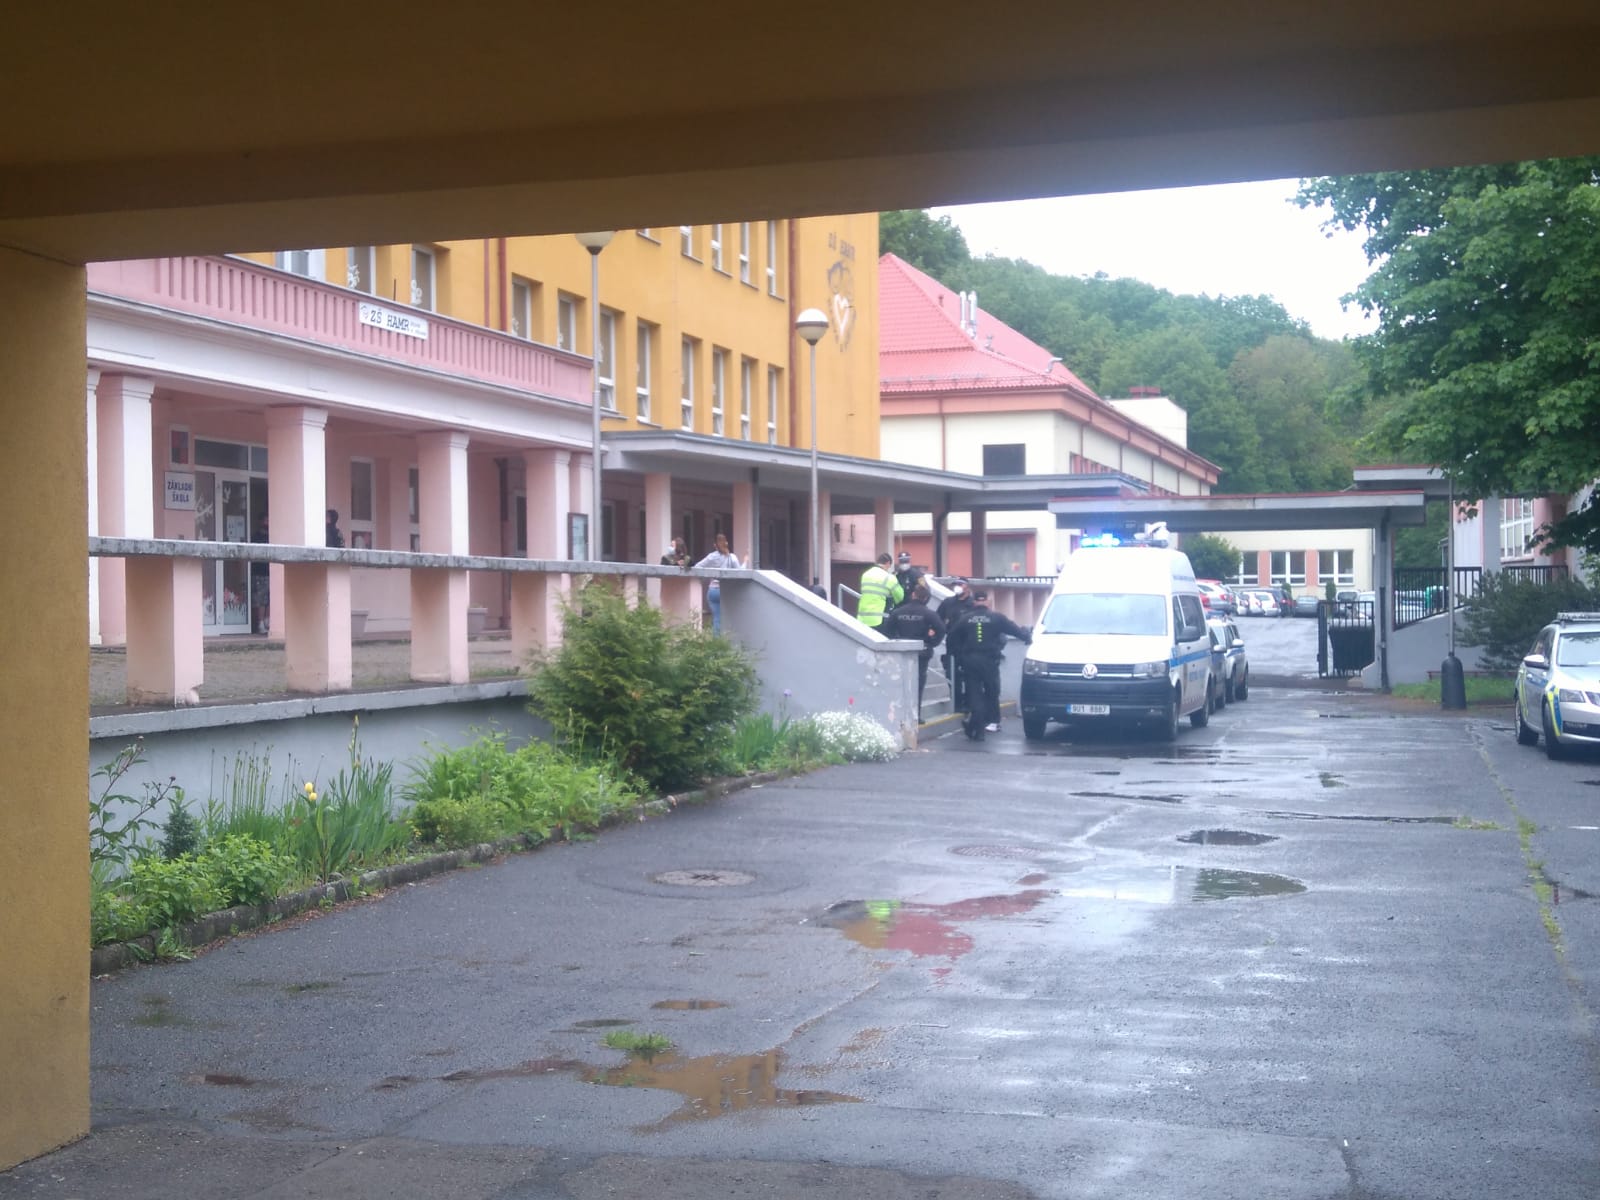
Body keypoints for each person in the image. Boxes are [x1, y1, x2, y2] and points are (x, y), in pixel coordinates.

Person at [946, 588, 1032, 741]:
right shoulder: (997, 618)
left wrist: (958, 655)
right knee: (992, 691)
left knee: (974, 694)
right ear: (987, 602)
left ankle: (977, 728)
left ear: (974, 602)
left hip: (970, 660)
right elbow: (1015, 630)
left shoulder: (965, 618)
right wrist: (1026, 637)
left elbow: (952, 637)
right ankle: (991, 721)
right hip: (990, 660)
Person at [882, 583, 946, 722]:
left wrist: (897, 641)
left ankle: (898, 714)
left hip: (901, 653)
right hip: (921, 653)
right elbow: (941, 630)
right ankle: (915, 715)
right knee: (918, 684)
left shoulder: (898, 612)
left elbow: (887, 631)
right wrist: (931, 642)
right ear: (926, 598)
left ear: (913, 595)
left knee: (900, 683)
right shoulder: (929, 614)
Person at [695, 532, 742, 633]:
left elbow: (698, 566)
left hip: (713, 590)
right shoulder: (732, 557)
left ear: (715, 545)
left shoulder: (712, 556)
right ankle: (728, 638)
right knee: (729, 617)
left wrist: (703, 578)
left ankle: (716, 639)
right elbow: (740, 572)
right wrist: (746, 561)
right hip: (726, 591)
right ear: (726, 543)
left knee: (717, 618)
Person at [856, 552, 903, 629]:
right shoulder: (889, 577)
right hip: (878, 620)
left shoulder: (865, 574)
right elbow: (900, 597)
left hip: (862, 619)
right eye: (889, 566)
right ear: (888, 563)